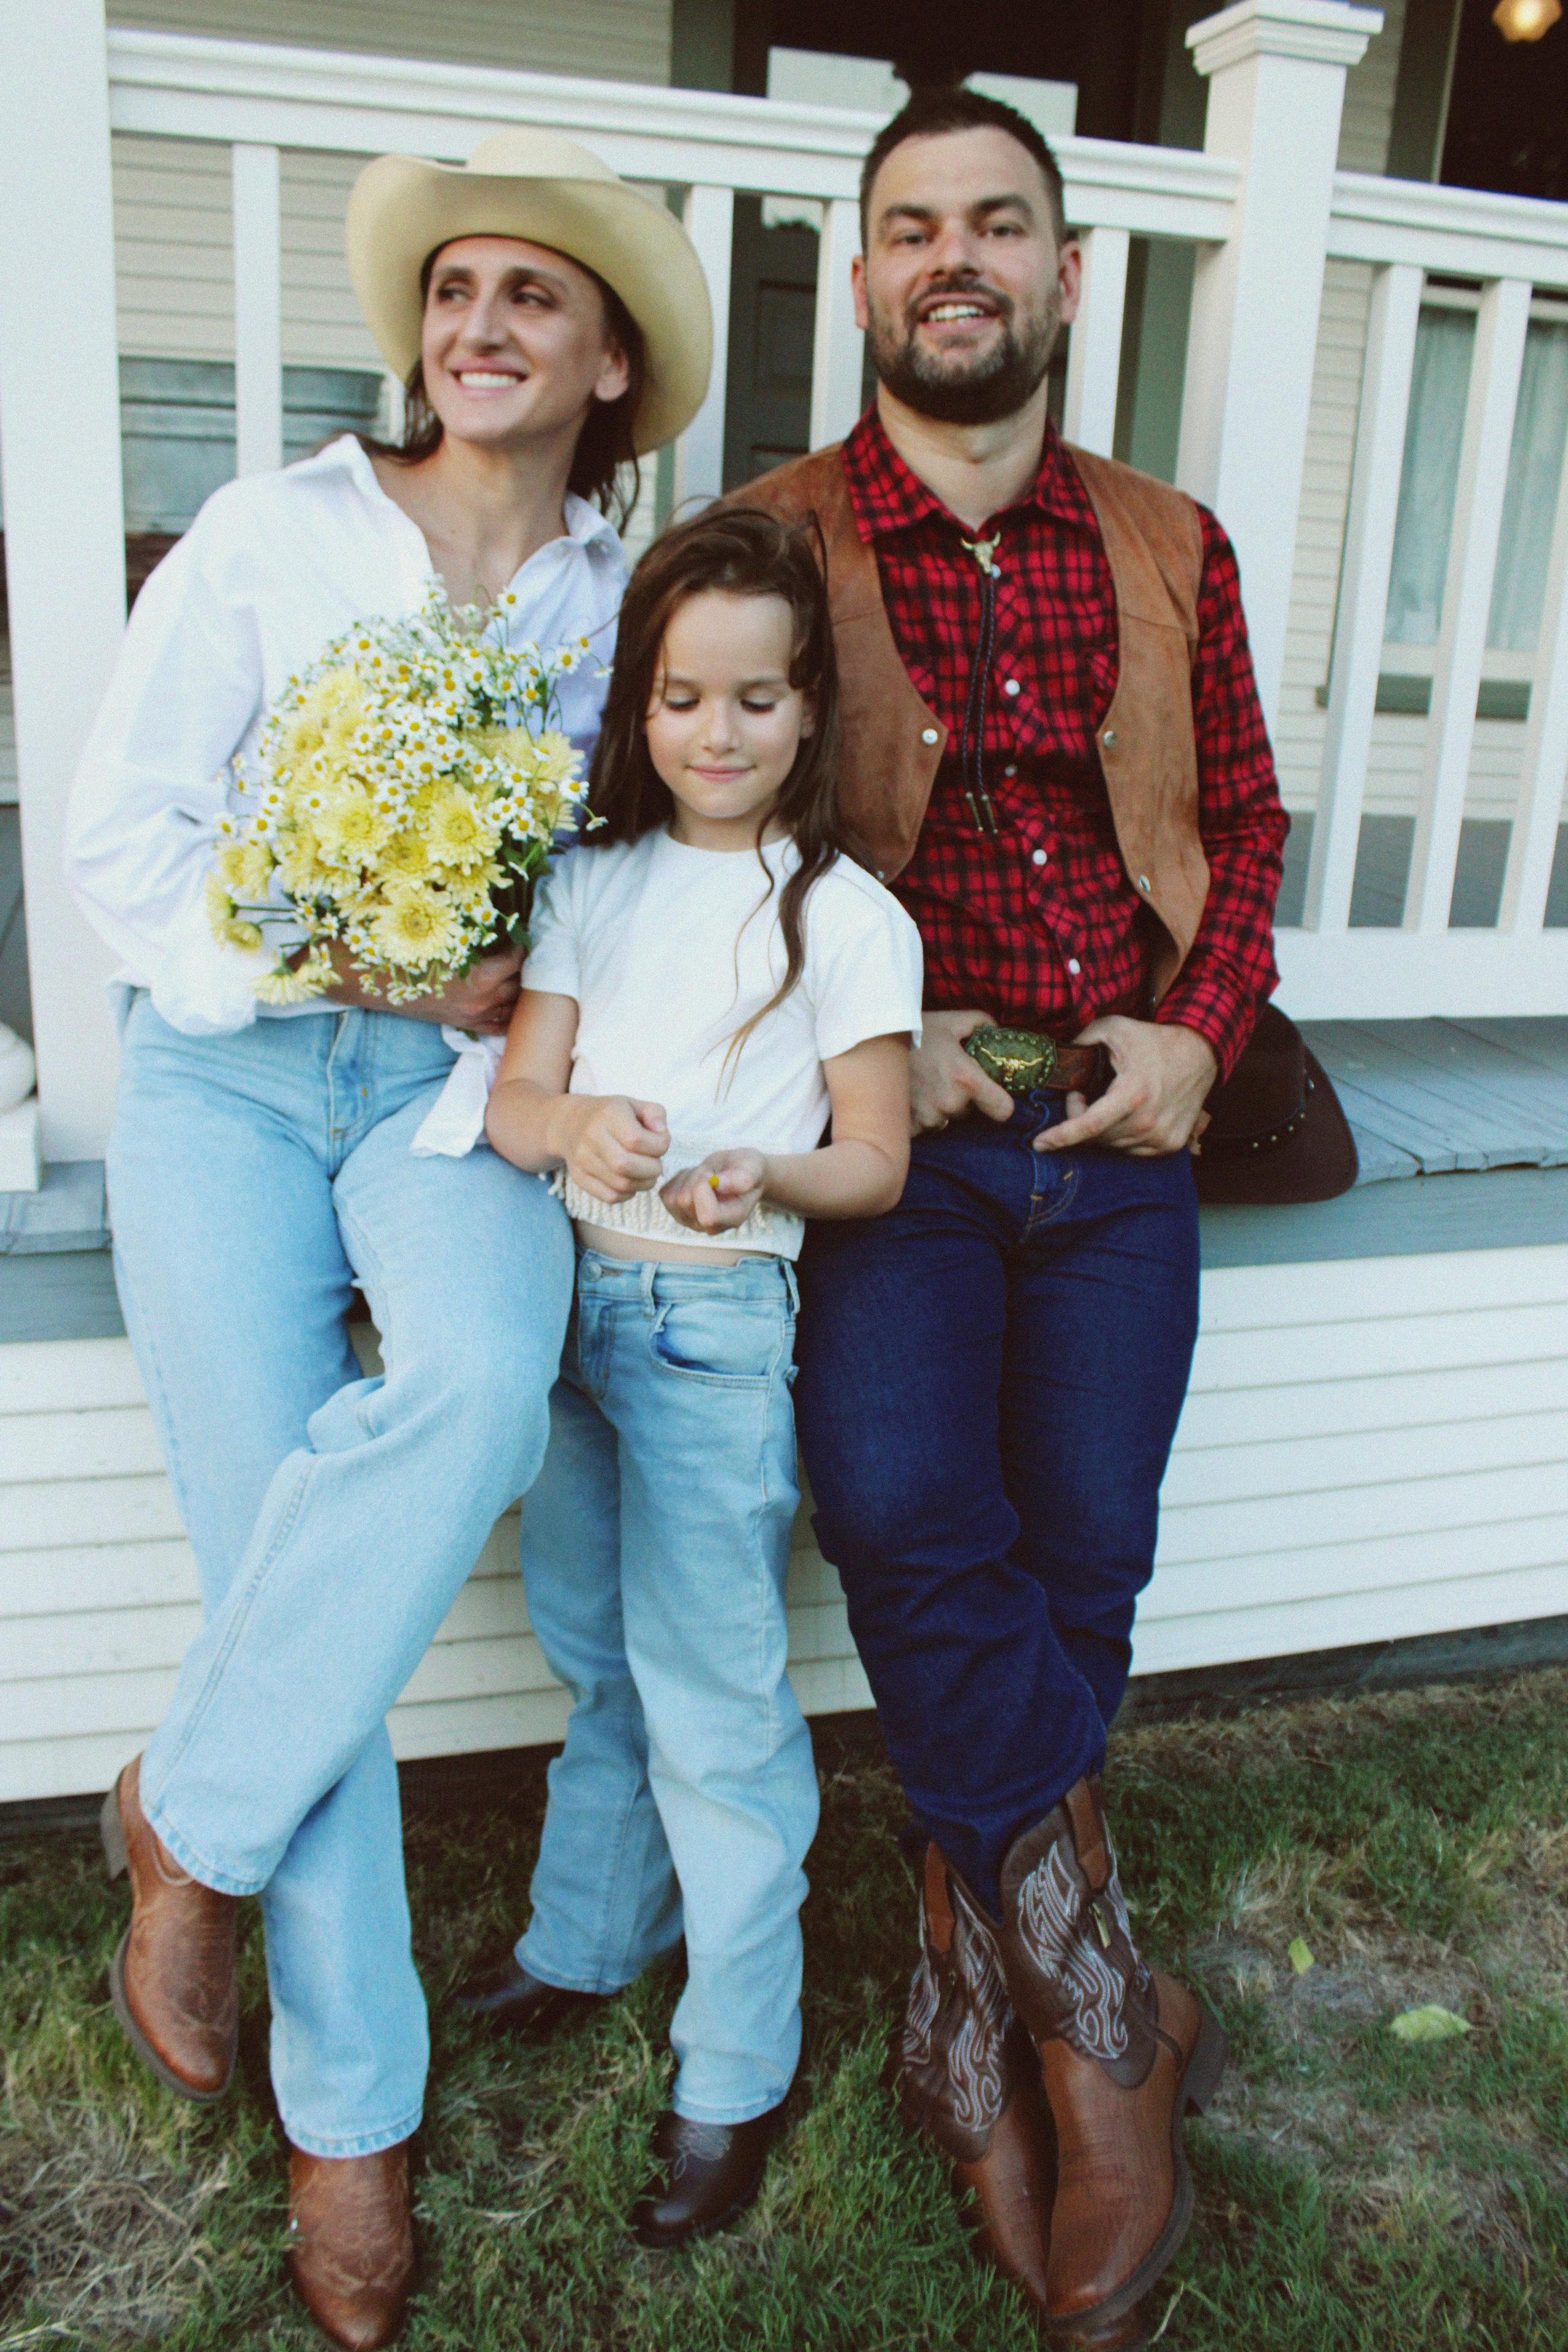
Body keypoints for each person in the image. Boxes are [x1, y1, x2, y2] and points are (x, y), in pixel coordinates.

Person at [66, 129, 709, 2352]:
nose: (483, 326)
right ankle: (353, 2129)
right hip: (233, 1075)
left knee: (470, 1390)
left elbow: (650, 877)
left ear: (610, 356)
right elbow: (123, 840)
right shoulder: (273, 535)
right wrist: (312, 957)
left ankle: (189, 1811)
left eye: (537, 296)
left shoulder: (630, 613)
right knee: (283, 1547)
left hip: (458, 1106)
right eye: (455, 293)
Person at [739, 85, 1289, 2348]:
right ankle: (1102, 2011)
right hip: (900, 1134)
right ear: (861, 280)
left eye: (999, 226)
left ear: (1070, 275)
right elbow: (692, 834)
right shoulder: (770, 536)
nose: (953, 259)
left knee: (1085, 1558)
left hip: (1121, 1127)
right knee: (889, 1497)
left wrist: (1199, 1042)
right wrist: (877, 1035)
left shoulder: (1171, 539)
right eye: (909, 230)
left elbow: (1247, 821)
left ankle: (974, 1971)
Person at [476, 506, 922, 2244]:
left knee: (718, 1703)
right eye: (680, 698)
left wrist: (764, 1168)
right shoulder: (590, 884)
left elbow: (875, 1156)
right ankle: (588, 1943)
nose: (716, 736)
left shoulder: (844, 918)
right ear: (638, 704)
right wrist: (575, 1120)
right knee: (599, 1659)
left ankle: (737, 2062)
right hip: (568, 1318)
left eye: (755, 700)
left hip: (709, 1335)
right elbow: (521, 1107)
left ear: (811, 710)